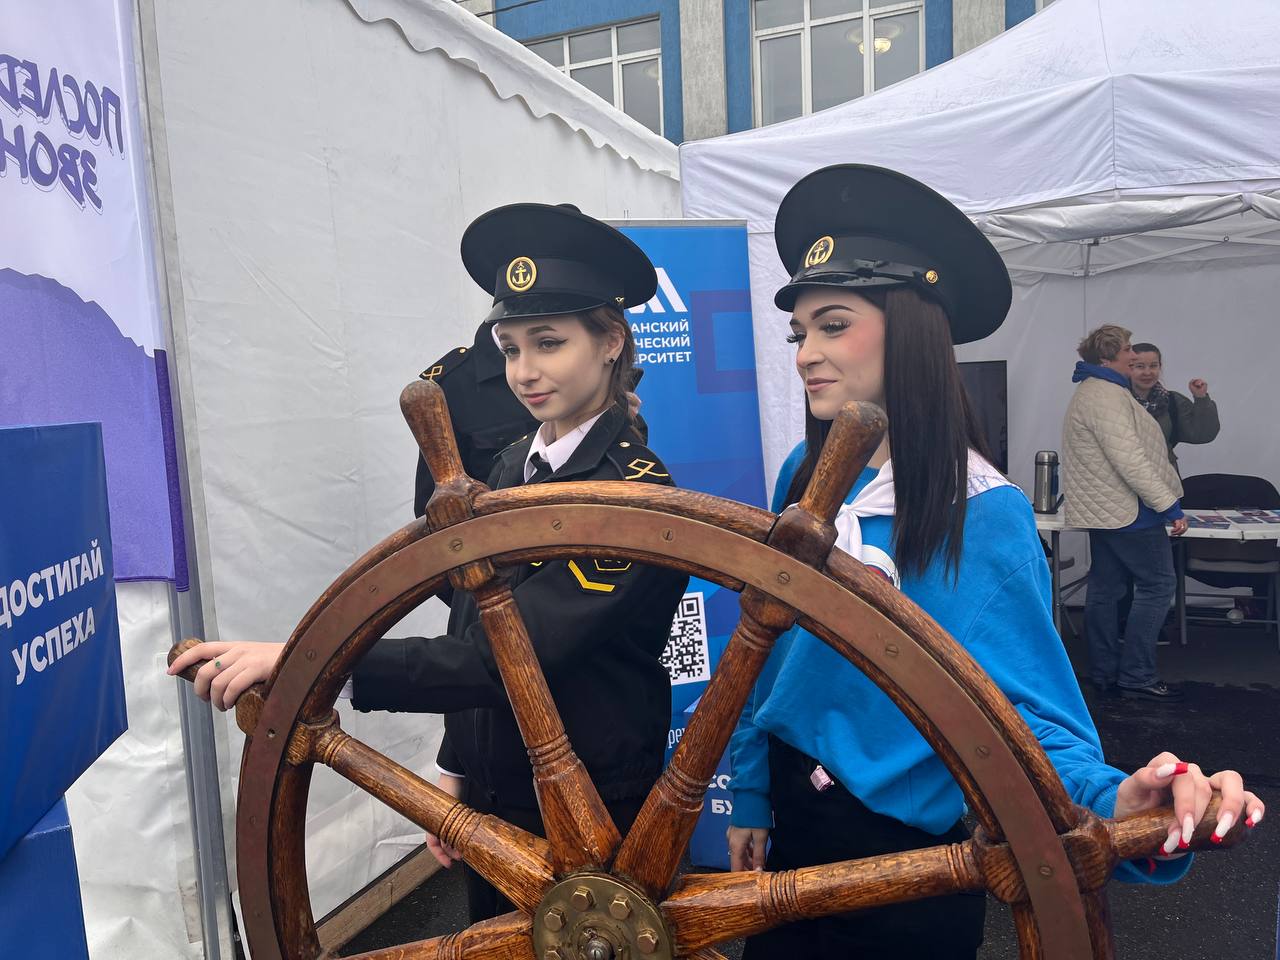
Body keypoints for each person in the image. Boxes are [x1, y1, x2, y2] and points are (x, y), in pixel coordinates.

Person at [725, 165, 1263, 959]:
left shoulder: (984, 513)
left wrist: (1120, 801)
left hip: (910, 857)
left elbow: (1030, 718)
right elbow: (763, 654)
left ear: (913, 335)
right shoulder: (803, 482)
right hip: (792, 816)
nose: (807, 353)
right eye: (798, 333)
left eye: (833, 325)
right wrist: (750, 792)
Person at [169, 202, 689, 923]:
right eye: (510, 348)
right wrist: (455, 764)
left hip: (591, 798)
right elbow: (471, 621)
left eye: (549, 343)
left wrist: (307, 659)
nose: (525, 372)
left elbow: (503, 658)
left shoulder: (635, 499)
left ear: (610, 342)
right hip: (494, 788)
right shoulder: (510, 465)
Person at [1064, 325, 1188, 702]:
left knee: (1105, 590)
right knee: (1158, 586)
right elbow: (1130, 461)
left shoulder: (1097, 390)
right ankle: (1137, 674)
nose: (1133, 355)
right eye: (1128, 349)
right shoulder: (1106, 395)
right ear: (1108, 358)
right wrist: (1168, 504)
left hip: (1109, 511)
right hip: (1129, 512)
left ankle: (1104, 672)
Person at [1129, 341, 1220, 470]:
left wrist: (1201, 398)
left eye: (1153, 366)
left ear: (1160, 367)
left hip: (1164, 474)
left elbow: (1202, 434)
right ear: (1128, 368)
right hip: (1125, 475)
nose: (1147, 372)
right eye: (1140, 366)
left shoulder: (1172, 401)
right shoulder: (1115, 399)